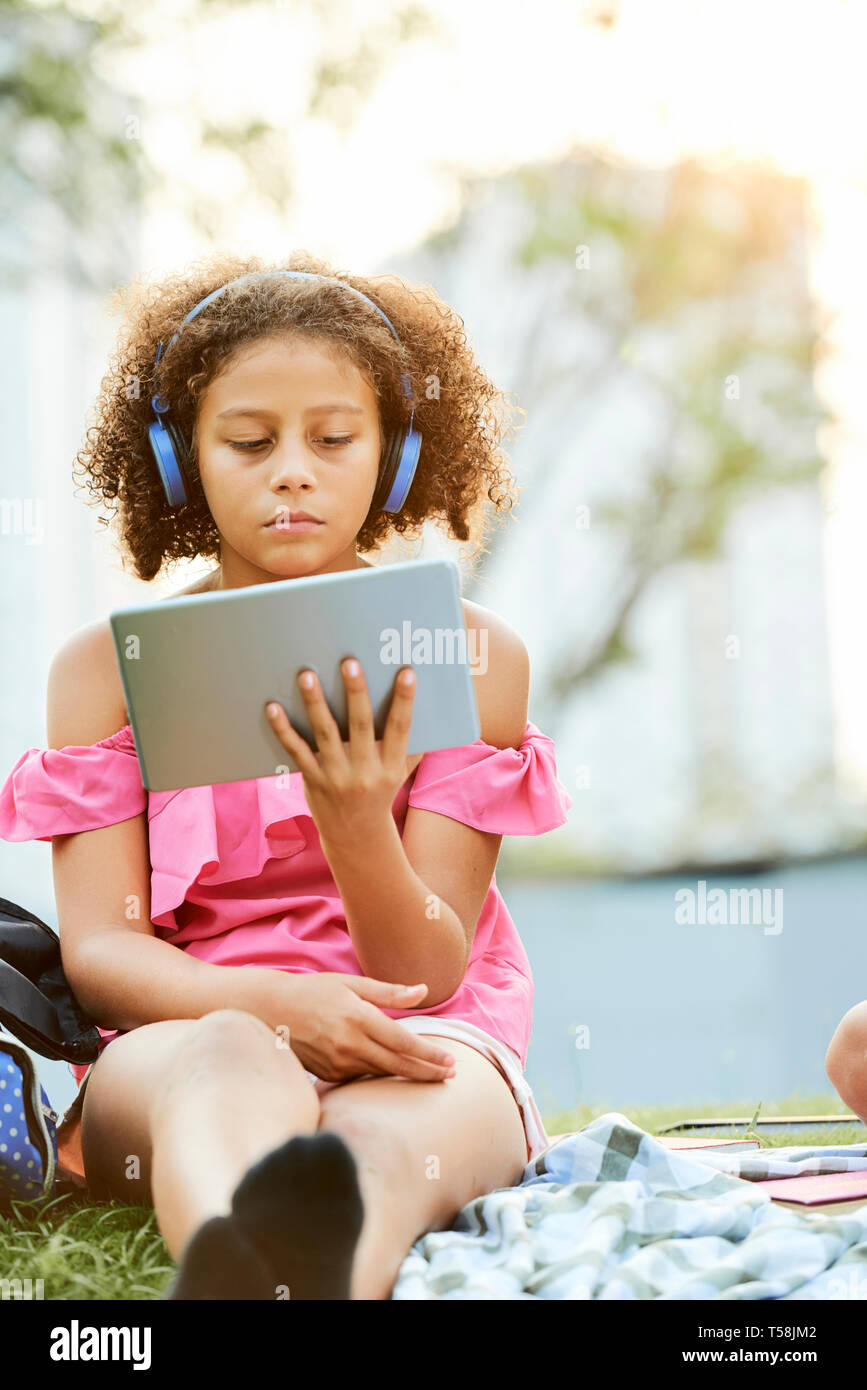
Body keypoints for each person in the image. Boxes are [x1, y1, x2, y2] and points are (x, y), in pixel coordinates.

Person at [0, 253, 573, 1300]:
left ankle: (307, 1276)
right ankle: (234, 1247)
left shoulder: (469, 655)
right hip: (186, 1029)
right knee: (224, 1059)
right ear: (180, 464)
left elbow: (431, 970)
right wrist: (267, 1003)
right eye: (251, 442)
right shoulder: (100, 675)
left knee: (383, 1139)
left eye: (335, 439)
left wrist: (356, 818)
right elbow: (99, 952)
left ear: (394, 461)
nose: (294, 471)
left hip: (421, 1031)